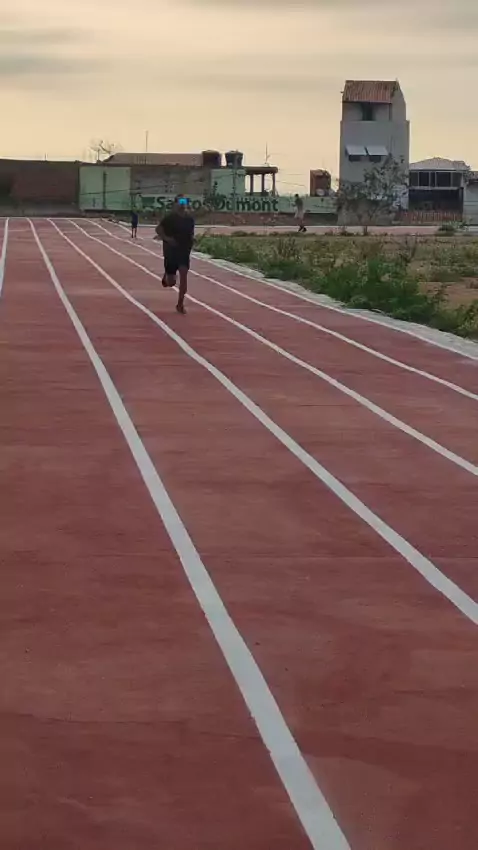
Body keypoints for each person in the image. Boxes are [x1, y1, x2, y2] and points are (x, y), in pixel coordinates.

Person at [154, 197, 194, 314]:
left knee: (183, 275)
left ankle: (180, 304)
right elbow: (158, 229)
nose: (182, 204)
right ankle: (167, 276)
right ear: (175, 204)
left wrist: (192, 240)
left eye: (184, 202)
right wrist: (167, 239)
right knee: (171, 283)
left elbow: (190, 233)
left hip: (184, 251)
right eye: (180, 202)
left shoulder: (190, 219)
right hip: (171, 251)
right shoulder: (170, 218)